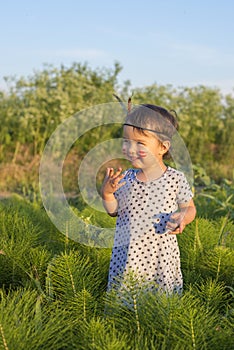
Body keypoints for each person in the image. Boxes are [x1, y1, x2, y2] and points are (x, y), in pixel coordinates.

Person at [101, 104, 196, 294]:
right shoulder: (127, 178)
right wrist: (107, 194)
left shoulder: (175, 178)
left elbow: (190, 208)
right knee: (127, 298)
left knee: (159, 300)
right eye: (126, 141)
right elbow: (114, 211)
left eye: (140, 143)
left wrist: (183, 217)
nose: (130, 148)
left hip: (159, 254)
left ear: (163, 147)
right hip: (128, 253)